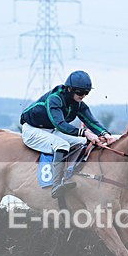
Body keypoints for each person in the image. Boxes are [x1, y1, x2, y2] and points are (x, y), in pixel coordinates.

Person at [20, 70, 117, 198]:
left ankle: (72, 174)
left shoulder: (77, 103)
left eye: (86, 93)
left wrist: (106, 134)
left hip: (51, 130)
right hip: (32, 130)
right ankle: (56, 186)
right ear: (69, 89)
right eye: (80, 92)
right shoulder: (54, 99)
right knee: (61, 145)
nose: (83, 96)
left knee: (85, 143)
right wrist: (85, 132)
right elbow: (60, 124)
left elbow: (91, 121)